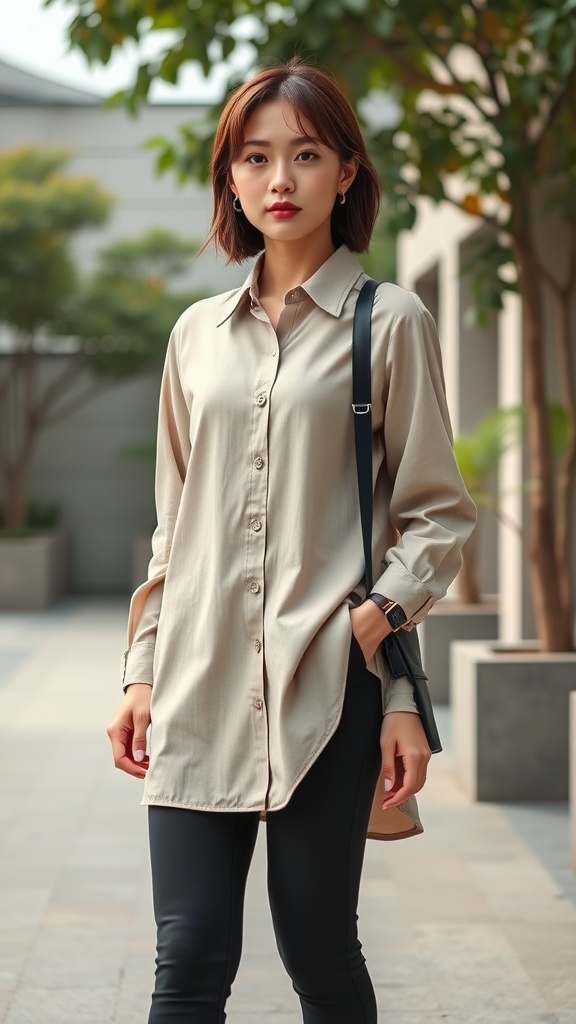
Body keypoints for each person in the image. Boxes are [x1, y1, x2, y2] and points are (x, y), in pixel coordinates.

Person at [107, 60, 476, 1024]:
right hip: (196, 685)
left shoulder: (389, 323)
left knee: (318, 947)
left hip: (328, 690)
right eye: (256, 157)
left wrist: (383, 642)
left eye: (306, 155)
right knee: (185, 962)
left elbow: (435, 514)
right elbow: (172, 526)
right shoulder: (195, 336)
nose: (281, 180)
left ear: (346, 172)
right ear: (230, 178)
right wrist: (139, 672)